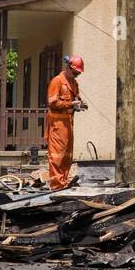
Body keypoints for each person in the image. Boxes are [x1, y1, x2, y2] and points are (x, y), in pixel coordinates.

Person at [45, 55, 87, 191]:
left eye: (78, 74)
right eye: (75, 73)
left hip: (68, 123)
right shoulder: (57, 81)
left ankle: (63, 183)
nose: (76, 76)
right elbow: (52, 102)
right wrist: (70, 104)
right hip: (57, 124)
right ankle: (57, 186)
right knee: (57, 155)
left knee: (67, 156)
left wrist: (80, 105)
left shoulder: (74, 83)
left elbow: (76, 99)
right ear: (68, 68)